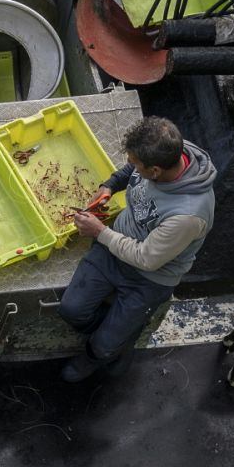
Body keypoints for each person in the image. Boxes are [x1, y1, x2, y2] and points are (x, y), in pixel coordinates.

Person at [58, 116, 217, 382]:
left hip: (149, 277)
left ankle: (99, 352)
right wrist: (109, 186)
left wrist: (100, 232)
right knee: (71, 310)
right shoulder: (171, 151)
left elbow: (146, 258)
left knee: (105, 344)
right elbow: (128, 172)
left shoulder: (188, 215)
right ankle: (114, 328)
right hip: (114, 246)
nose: (132, 166)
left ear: (155, 171)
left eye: (136, 164)